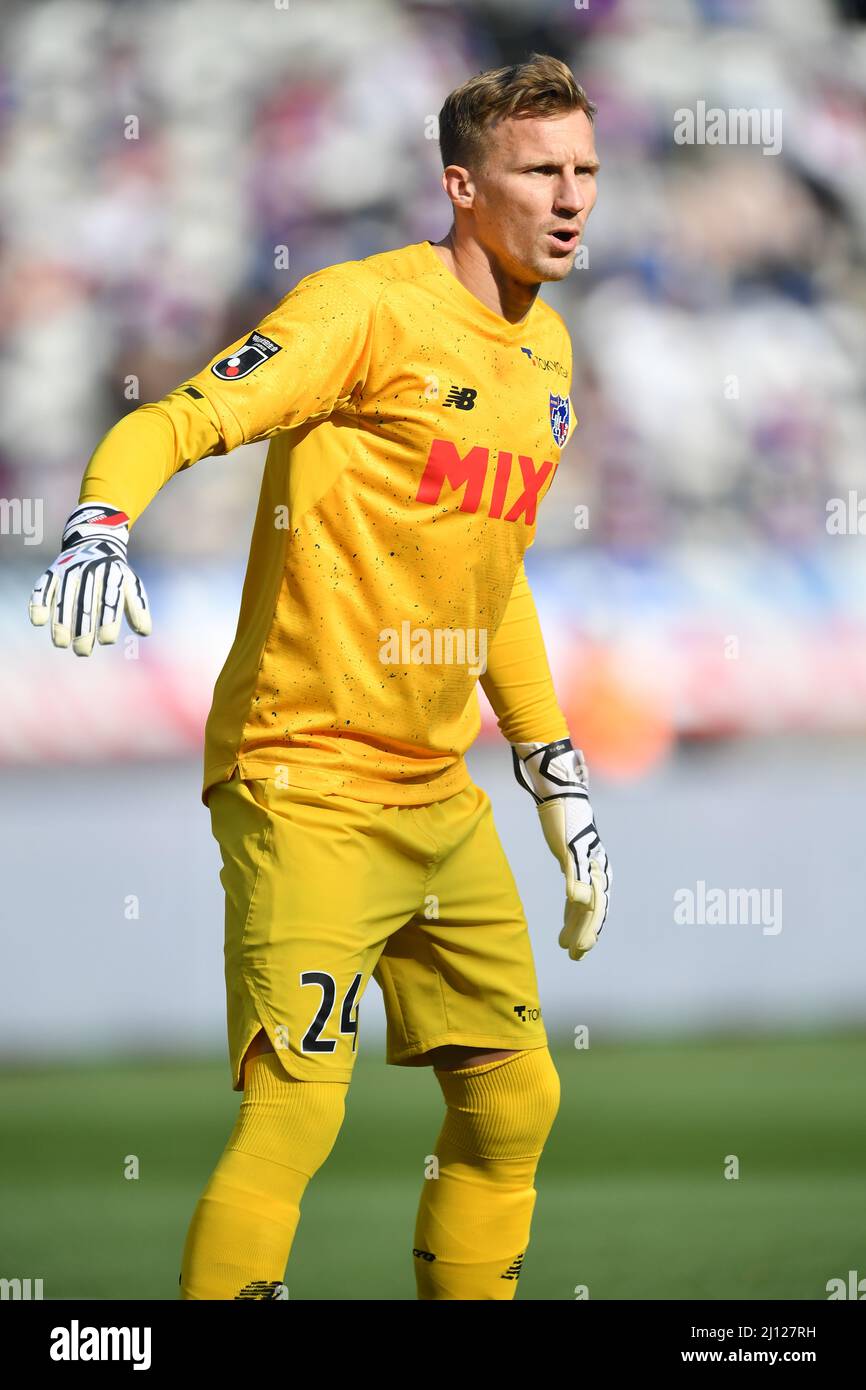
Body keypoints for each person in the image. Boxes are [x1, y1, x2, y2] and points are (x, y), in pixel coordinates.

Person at [29, 52, 611, 1301]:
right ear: (462, 186)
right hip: (300, 772)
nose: (570, 198)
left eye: (584, 172)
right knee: (297, 1110)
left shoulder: (548, 358)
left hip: (434, 792)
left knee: (515, 1098)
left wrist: (552, 769)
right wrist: (98, 521)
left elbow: (488, 572)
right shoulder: (362, 311)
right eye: (537, 172)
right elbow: (176, 417)